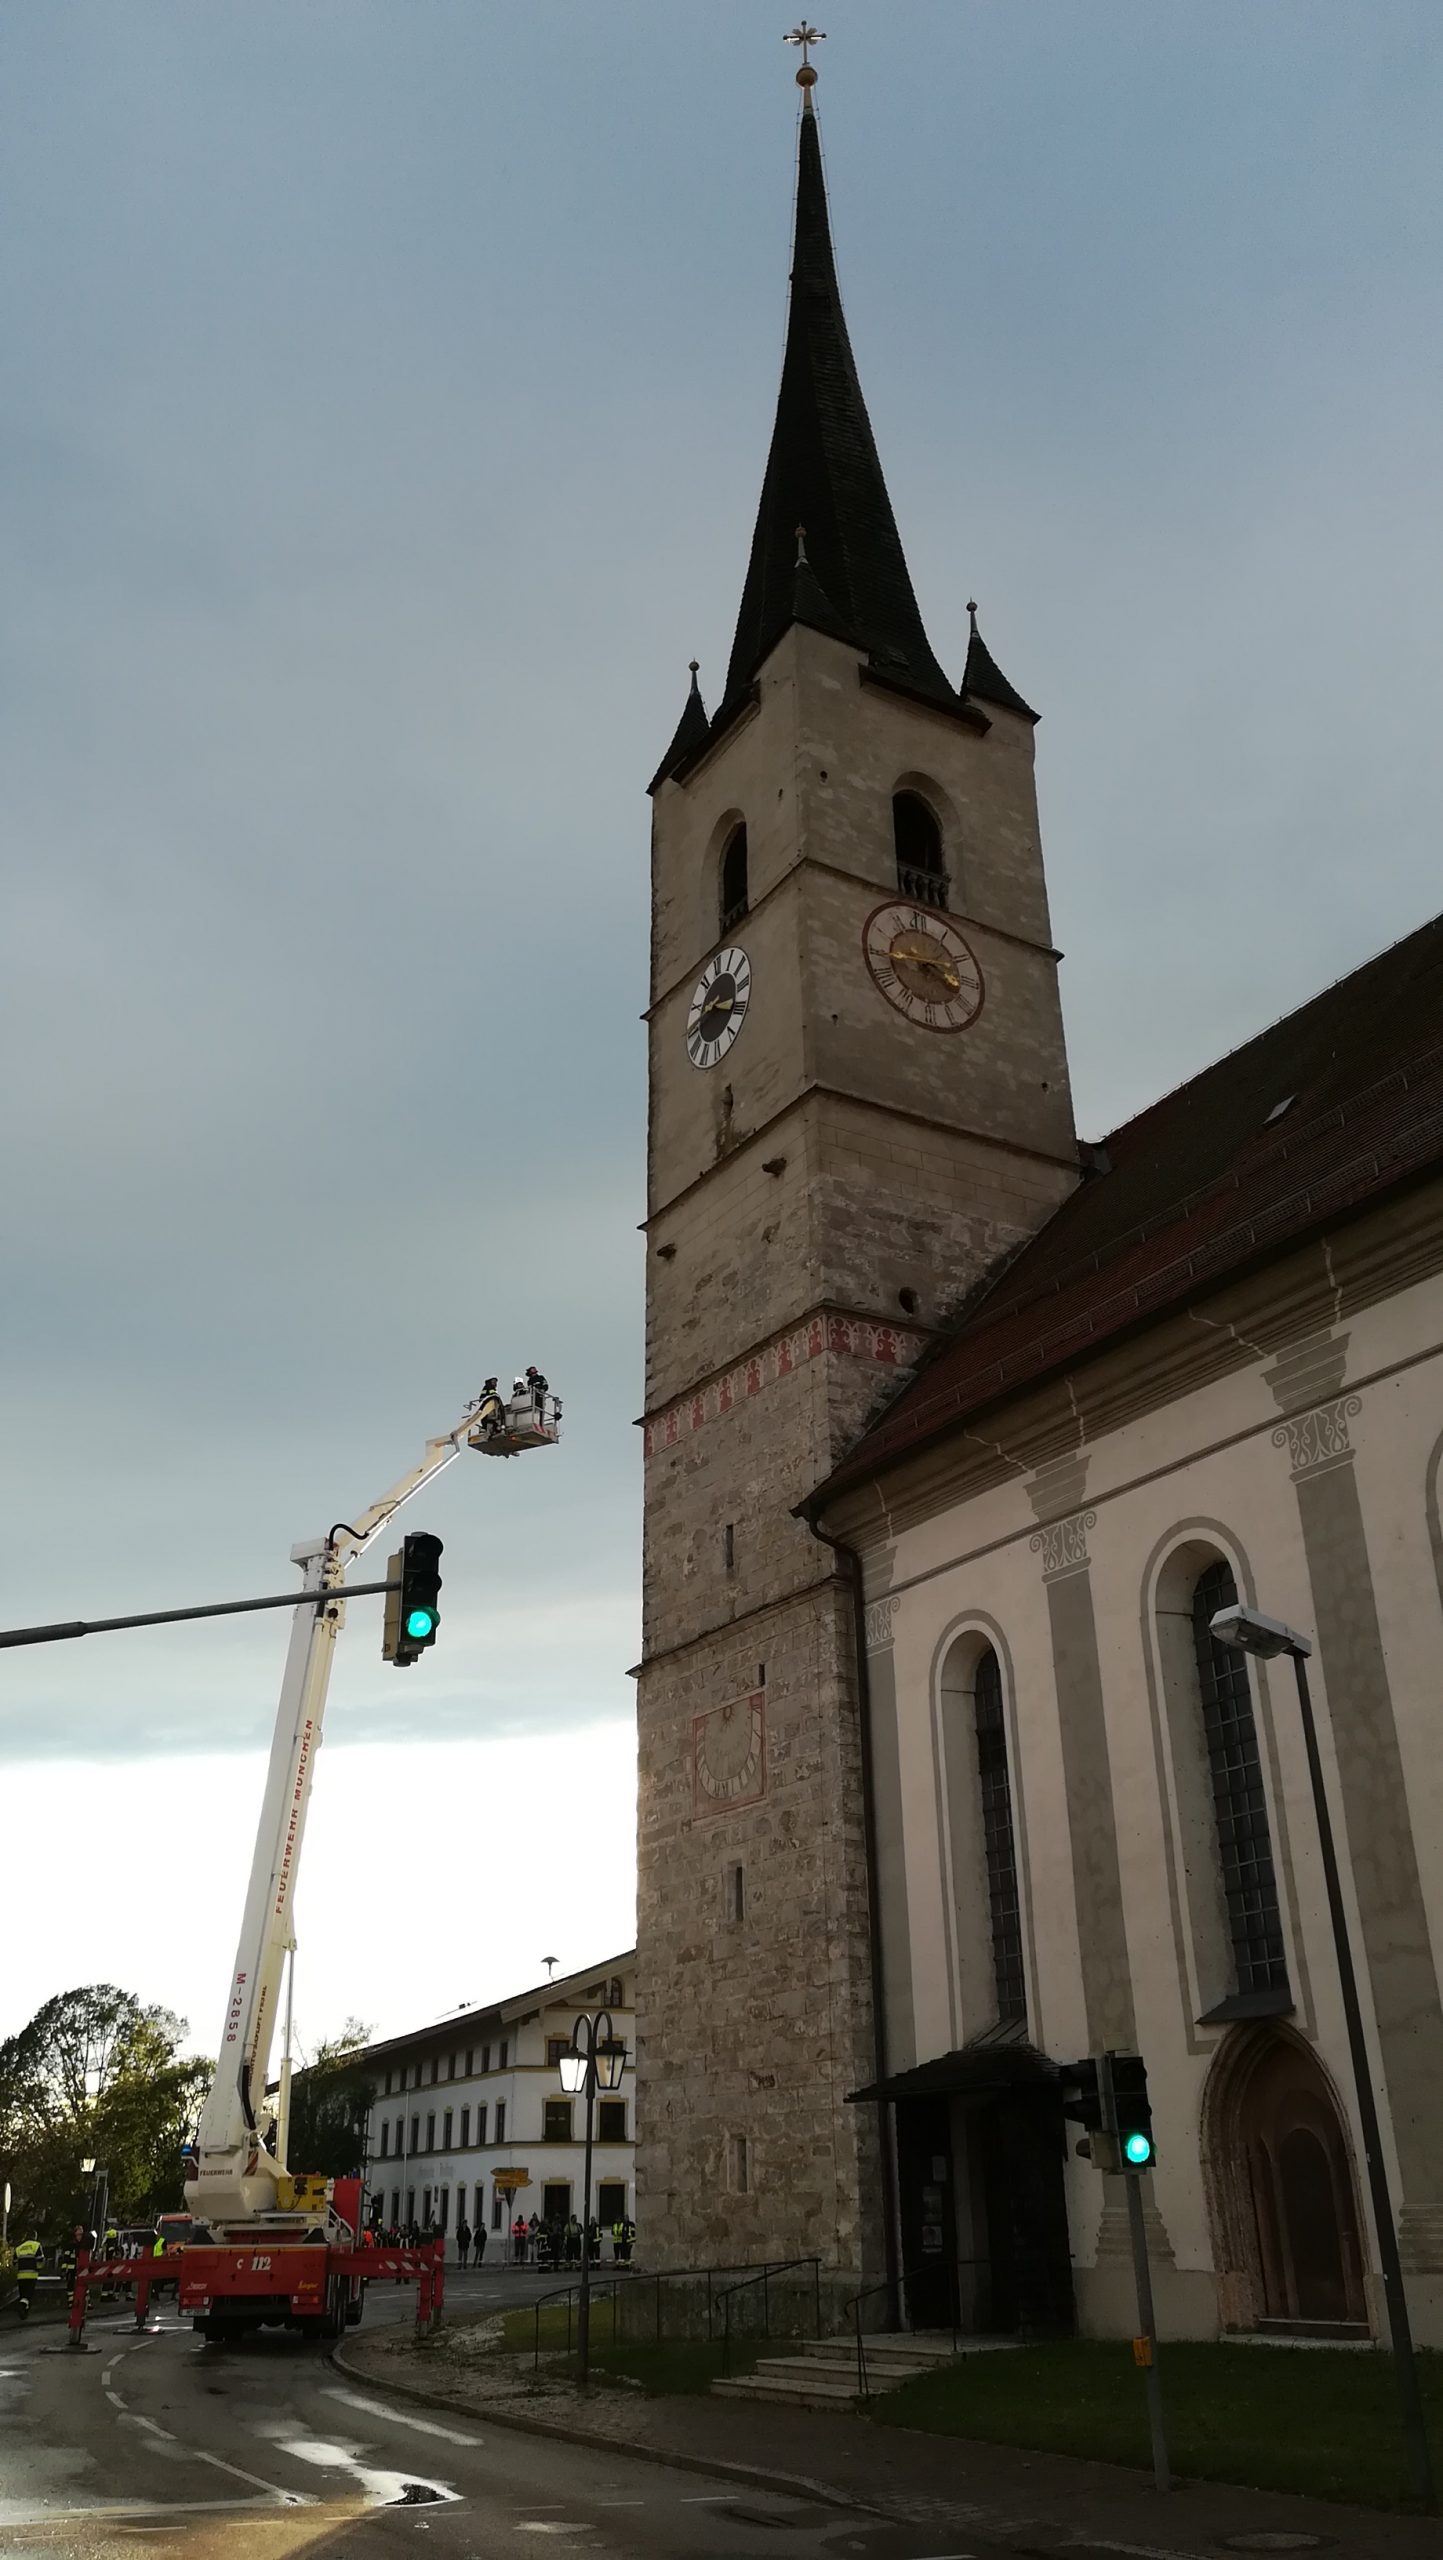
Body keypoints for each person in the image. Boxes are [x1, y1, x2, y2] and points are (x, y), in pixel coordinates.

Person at [14, 2232, 42, 2318]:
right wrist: (38, 2269)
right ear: (34, 2236)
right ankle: (22, 2307)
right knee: (28, 2295)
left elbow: (14, 2262)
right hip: (31, 2275)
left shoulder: (19, 2248)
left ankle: (24, 2313)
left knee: (23, 2294)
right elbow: (40, 2259)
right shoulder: (36, 2245)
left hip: (21, 2275)